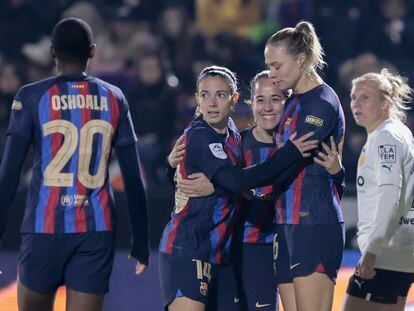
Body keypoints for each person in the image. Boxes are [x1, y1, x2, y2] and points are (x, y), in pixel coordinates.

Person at [0, 18, 149, 311]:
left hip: (44, 229)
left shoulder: (31, 96)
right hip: (96, 230)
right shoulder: (114, 97)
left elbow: (8, 174)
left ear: (52, 52)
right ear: (92, 52)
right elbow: (133, 178)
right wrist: (141, 241)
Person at [169, 69, 345, 311]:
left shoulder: (301, 146)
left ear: (289, 103)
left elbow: (328, 194)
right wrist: (172, 168)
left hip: (282, 245)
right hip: (238, 248)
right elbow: (189, 179)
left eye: (276, 99)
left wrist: (338, 173)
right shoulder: (236, 144)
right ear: (251, 103)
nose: (268, 107)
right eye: (260, 99)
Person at [263, 20, 346, 311]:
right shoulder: (293, 102)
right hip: (285, 224)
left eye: (276, 66)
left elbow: (287, 162)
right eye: (269, 67)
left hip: (314, 224)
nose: (272, 75)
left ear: (300, 59)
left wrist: (241, 180)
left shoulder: (322, 103)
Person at [342, 69, 414, 311]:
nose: (356, 104)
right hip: (401, 250)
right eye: (353, 97)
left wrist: (373, 249)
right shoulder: (397, 133)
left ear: (385, 102)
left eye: (365, 97)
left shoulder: (386, 137)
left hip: (386, 253)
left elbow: (390, 193)